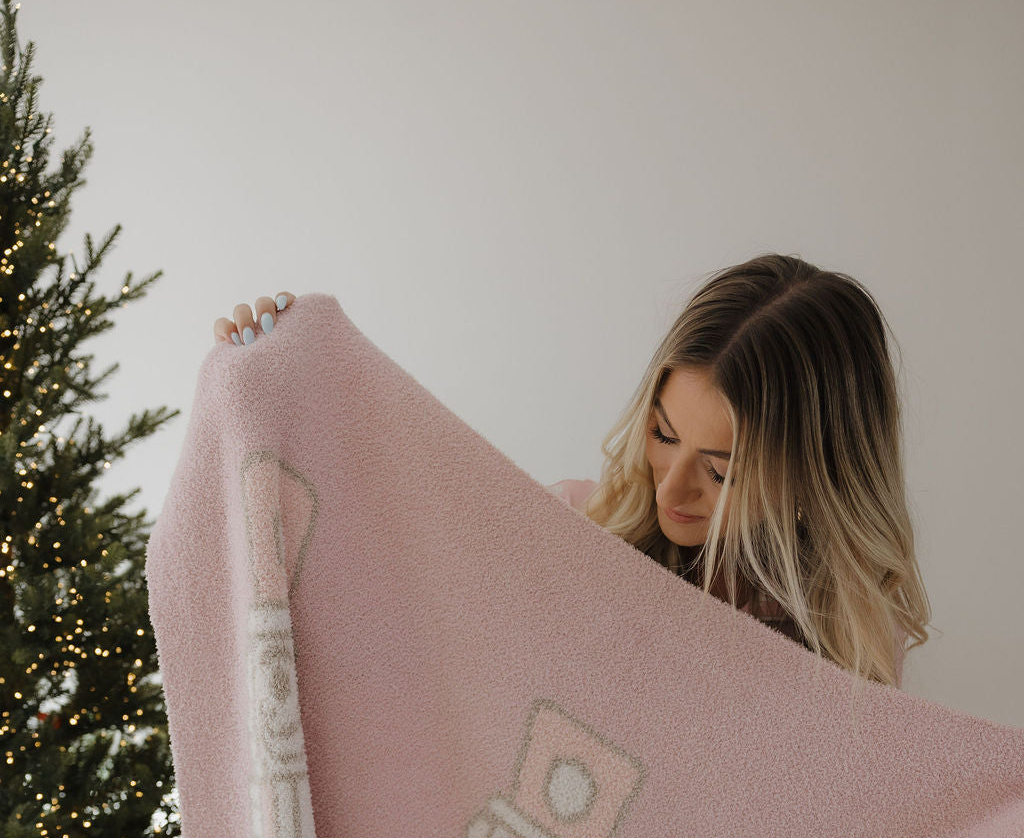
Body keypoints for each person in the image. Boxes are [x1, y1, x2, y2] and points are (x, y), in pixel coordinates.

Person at [213, 253, 929, 687]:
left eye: (722, 472)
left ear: (817, 480)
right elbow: (395, 587)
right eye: (662, 434)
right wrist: (286, 391)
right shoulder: (575, 528)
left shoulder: (851, 637)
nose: (671, 487)